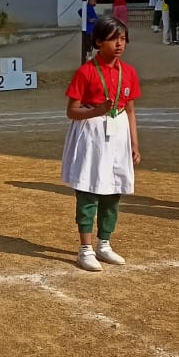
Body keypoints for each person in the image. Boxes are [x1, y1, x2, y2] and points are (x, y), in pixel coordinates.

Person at [61, 16, 141, 272]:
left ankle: (104, 243)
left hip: (118, 133)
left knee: (113, 189)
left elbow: (130, 110)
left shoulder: (128, 72)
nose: (119, 44)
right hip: (91, 134)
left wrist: (134, 144)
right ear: (98, 42)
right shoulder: (85, 72)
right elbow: (72, 111)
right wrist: (97, 111)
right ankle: (85, 248)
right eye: (113, 39)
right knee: (89, 189)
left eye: (123, 39)